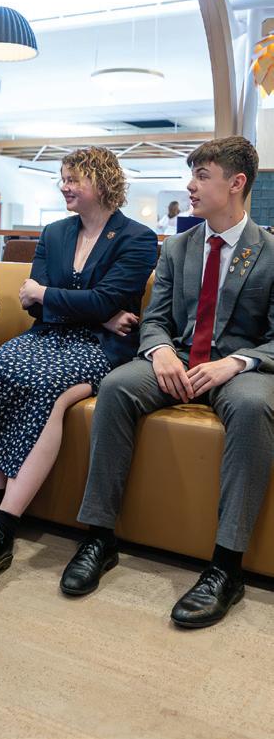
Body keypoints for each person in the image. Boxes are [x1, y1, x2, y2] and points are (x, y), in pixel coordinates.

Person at [60, 136, 274, 628]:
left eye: (202, 176)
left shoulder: (269, 251)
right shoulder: (178, 246)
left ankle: (227, 566)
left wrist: (236, 363)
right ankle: (99, 537)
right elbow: (154, 318)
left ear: (236, 183)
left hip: (238, 370)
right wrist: (158, 352)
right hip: (177, 358)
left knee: (252, 407)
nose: (190, 186)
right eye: (192, 175)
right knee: (117, 386)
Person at [0, 147, 157, 572]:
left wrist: (55, 297)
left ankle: (4, 525)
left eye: (73, 179)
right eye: (62, 178)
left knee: (48, 389)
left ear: (101, 182)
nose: (64, 186)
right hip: (48, 334)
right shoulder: (55, 233)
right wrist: (97, 311)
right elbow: (34, 306)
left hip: (100, 346)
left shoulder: (137, 238)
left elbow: (82, 297)